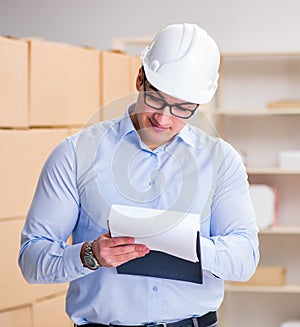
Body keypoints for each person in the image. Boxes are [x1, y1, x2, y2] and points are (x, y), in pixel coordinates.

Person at [18, 23, 259, 327]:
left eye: (182, 108)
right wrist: (89, 254)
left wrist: (189, 246)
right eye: (156, 98)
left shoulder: (221, 161)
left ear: (198, 104)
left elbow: (245, 259)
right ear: (140, 78)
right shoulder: (75, 155)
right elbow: (31, 259)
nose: (163, 117)